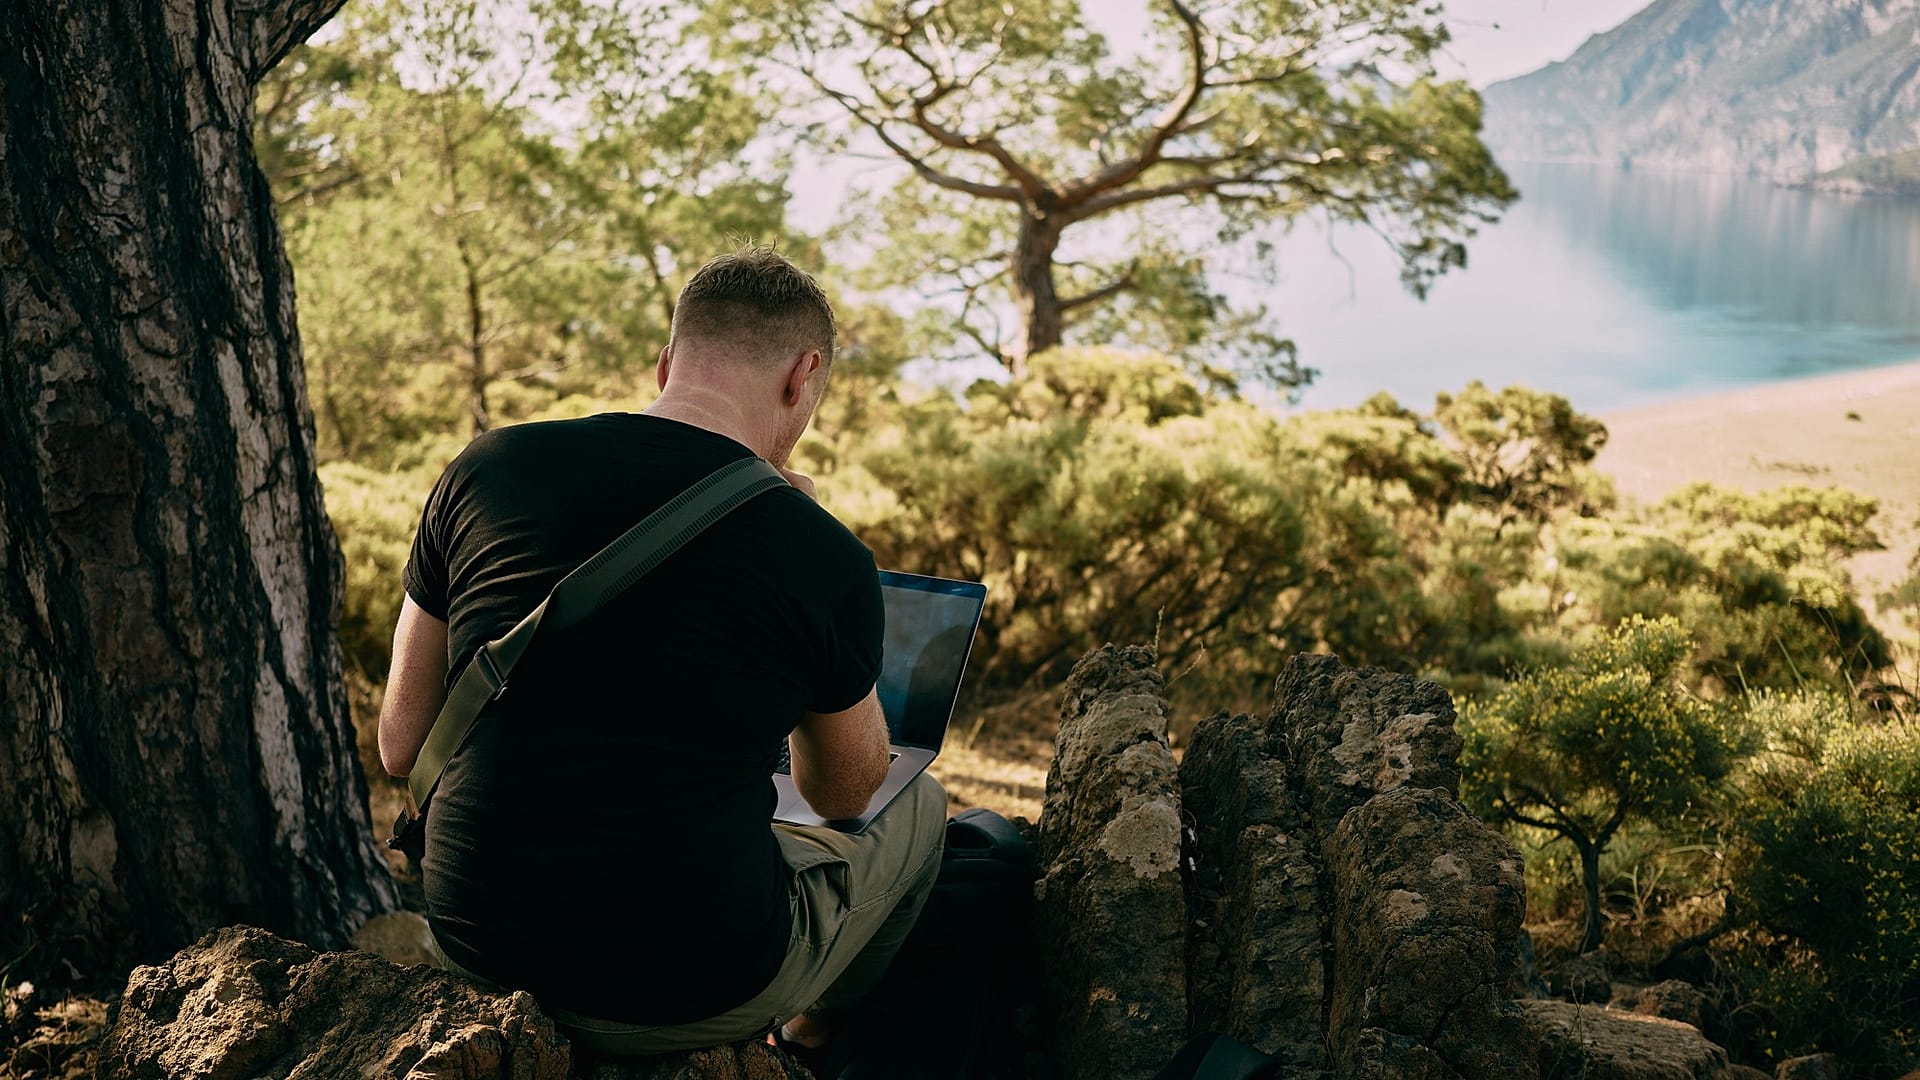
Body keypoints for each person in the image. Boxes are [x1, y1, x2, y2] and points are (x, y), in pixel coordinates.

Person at [376, 246, 946, 1058]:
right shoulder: (819, 549)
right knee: (921, 802)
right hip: (687, 990)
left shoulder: (486, 466)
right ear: (803, 376)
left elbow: (401, 746)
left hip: (478, 948)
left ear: (665, 362)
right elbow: (845, 792)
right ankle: (809, 1037)